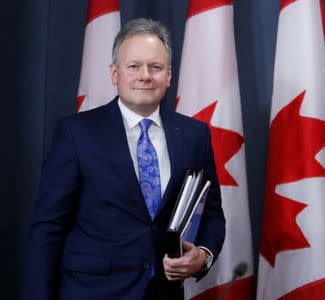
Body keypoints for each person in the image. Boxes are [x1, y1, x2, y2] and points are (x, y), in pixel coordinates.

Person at [25, 18, 225, 300]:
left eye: (155, 67)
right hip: (91, 292)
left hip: (164, 293)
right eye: (134, 66)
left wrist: (203, 256)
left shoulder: (194, 134)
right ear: (114, 73)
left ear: (168, 75)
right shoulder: (75, 133)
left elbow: (213, 214)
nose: (145, 75)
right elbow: (48, 229)